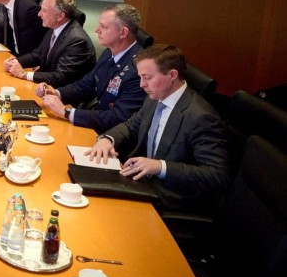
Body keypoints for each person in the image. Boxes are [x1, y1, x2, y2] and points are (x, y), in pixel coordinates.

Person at [85, 45, 230, 211]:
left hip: (169, 198)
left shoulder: (200, 117)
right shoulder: (156, 97)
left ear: (172, 75)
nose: (142, 85)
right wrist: (107, 139)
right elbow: (131, 125)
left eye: (147, 77)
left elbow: (218, 175)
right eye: (140, 77)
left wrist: (161, 167)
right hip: (140, 181)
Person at [36, 3, 147, 133]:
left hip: (110, 137)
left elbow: (118, 117)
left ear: (123, 32)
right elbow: (86, 85)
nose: (96, 30)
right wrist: (56, 93)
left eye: (103, 27)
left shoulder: (139, 70)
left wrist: (66, 112)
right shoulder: (108, 53)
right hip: (94, 123)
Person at [3, 0, 95, 87]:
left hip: (62, 95)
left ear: (60, 16)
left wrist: (24, 74)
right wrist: (15, 62)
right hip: (45, 86)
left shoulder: (77, 41)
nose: (39, 14)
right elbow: (38, 54)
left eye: (44, 10)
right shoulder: (55, 27)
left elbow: (61, 77)